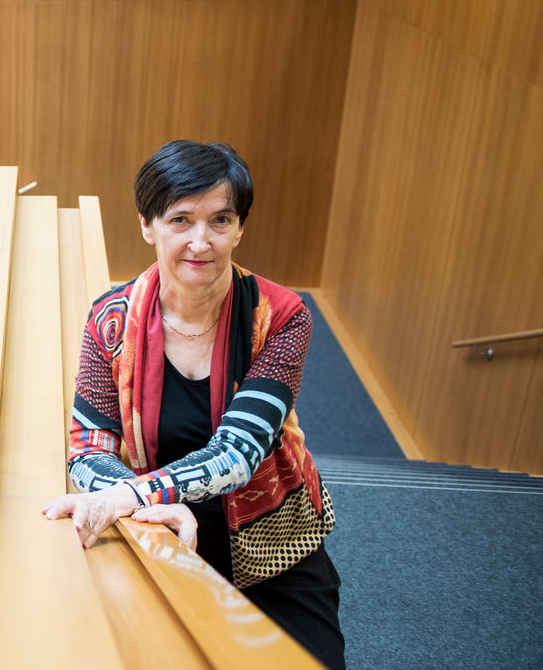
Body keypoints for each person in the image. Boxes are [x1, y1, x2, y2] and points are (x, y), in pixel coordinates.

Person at [42, 140, 344, 669]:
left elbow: (238, 453)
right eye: (180, 219)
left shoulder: (281, 317)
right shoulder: (109, 321)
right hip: (160, 526)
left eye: (220, 220)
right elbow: (87, 446)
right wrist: (142, 508)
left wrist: (127, 495)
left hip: (270, 531)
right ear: (147, 225)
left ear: (239, 227)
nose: (200, 242)